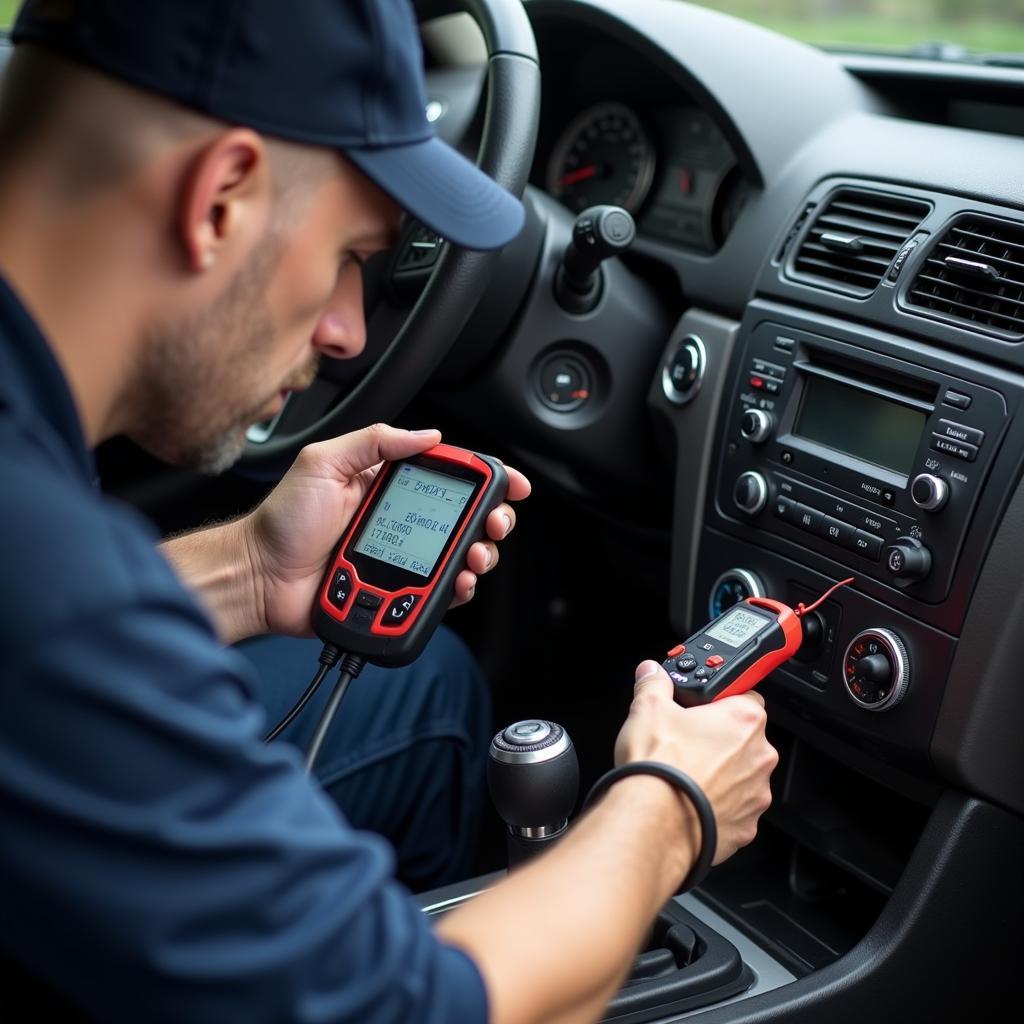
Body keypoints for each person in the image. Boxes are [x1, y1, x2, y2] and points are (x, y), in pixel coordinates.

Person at [0, 2, 779, 1023]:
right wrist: (669, 804)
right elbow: (415, 1007)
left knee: (417, 687)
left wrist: (245, 566)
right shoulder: (49, 583)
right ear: (221, 199)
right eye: (350, 256)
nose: (349, 331)